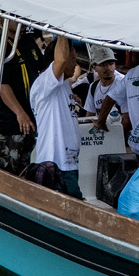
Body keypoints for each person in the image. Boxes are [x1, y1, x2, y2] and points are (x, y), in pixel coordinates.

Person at [26, 35, 84, 197]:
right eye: (72, 59)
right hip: (55, 165)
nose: (75, 64)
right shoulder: (45, 83)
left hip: (69, 164)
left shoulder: (64, 85)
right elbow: (61, 61)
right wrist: (62, 31)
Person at [0, 24, 51, 137]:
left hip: (35, 115)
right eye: (13, 16)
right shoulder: (0, 47)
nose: (19, 20)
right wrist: (20, 113)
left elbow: (43, 70)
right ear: (2, 20)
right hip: (12, 123)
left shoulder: (29, 42)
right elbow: (2, 85)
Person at [79, 45, 125, 117]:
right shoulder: (93, 87)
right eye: (103, 65)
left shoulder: (124, 82)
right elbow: (90, 115)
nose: (108, 68)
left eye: (111, 64)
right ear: (94, 67)